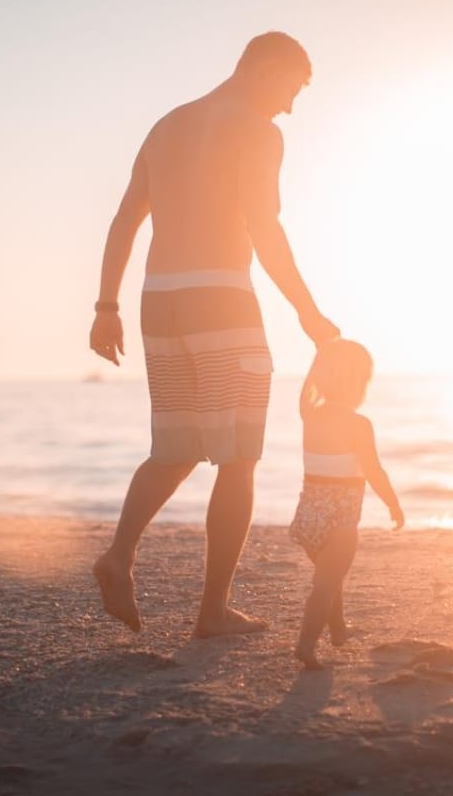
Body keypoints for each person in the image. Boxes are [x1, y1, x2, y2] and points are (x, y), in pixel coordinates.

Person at [89, 32, 339, 637]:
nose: (289, 107)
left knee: (174, 450)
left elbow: (126, 219)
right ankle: (211, 613)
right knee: (239, 457)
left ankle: (118, 555)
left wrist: (105, 306)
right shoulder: (257, 130)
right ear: (266, 69)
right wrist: (308, 312)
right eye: (291, 88)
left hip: (159, 302)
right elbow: (265, 230)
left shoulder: (168, 125)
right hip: (222, 301)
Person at [290, 339, 404, 669]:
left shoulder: (310, 414)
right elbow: (373, 470)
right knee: (326, 583)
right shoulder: (358, 425)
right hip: (340, 519)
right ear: (358, 384)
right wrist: (393, 504)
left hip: (308, 518)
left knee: (330, 575)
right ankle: (306, 644)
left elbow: (306, 388)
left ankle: (338, 630)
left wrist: (320, 354)